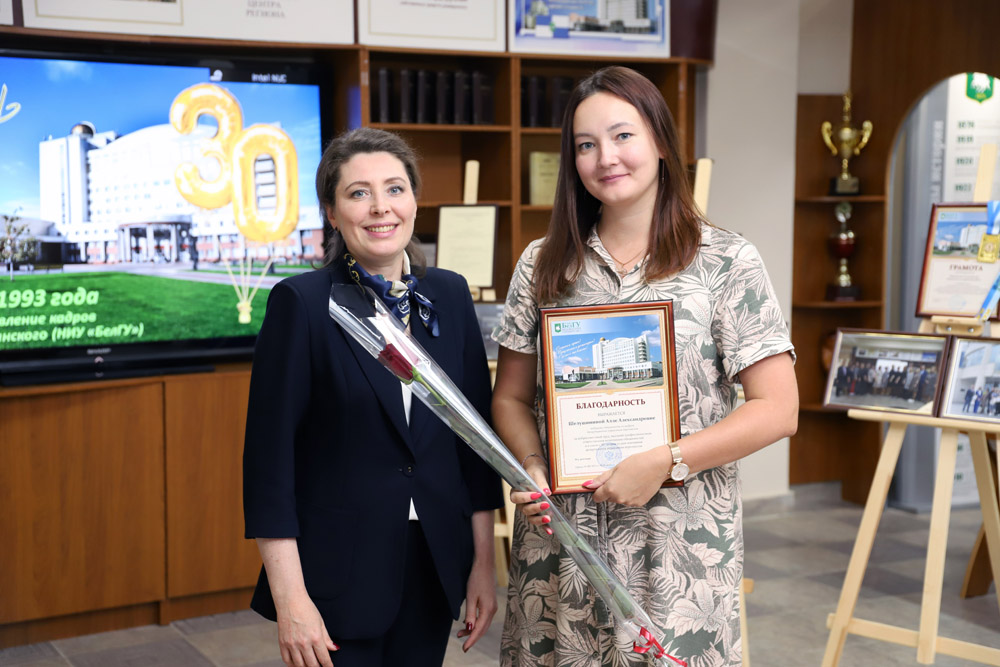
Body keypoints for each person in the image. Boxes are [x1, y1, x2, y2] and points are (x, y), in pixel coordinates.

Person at [491, 66, 798, 666]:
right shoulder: (541, 263)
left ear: (659, 140)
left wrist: (665, 460)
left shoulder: (726, 260)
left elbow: (778, 409)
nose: (606, 157)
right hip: (563, 542)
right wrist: (531, 466)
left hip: (681, 552)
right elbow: (510, 398)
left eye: (622, 136)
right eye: (586, 144)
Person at [243, 127, 501, 667]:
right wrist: (291, 600)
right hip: (336, 573)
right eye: (359, 193)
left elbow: (476, 448)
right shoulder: (301, 303)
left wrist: (483, 565)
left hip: (434, 562)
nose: (380, 207)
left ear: (414, 201)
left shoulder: (450, 294)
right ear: (332, 214)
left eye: (394, 188)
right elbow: (269, 467)